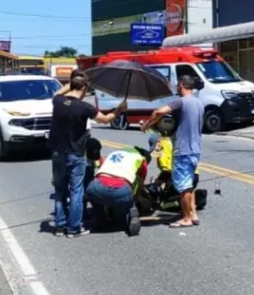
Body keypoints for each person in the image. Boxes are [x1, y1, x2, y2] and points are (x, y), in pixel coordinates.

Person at [49, 75, 126, 238]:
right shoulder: (84, 107)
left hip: (57, 153)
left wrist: (72, 83)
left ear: (71, 86)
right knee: (77, 190)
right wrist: (119, 110)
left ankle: (60, 227)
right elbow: (106, 120)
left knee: (60, 190)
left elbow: (57, 92)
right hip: (75, 154)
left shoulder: (58, 101)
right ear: (84, 89)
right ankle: (73, 228)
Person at [142, 75, 204, 228]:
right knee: (188, 184)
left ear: (182, 85)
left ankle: (186, 218)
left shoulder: (181, 101)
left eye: (178, 85)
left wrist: (147, 125)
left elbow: (158, 112)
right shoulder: (199, 103)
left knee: (182, 187)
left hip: (183, 150)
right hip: (196, 149)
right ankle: (193, 214)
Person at [87, 145, 149, 234]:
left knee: (94, 197)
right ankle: (132, 212)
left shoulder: (113, 153)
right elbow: (140, 183)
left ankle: (99, 216)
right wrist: (134, 200)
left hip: (96, 186)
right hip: (121, 190)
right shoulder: (141, 158)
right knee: (126, 204)